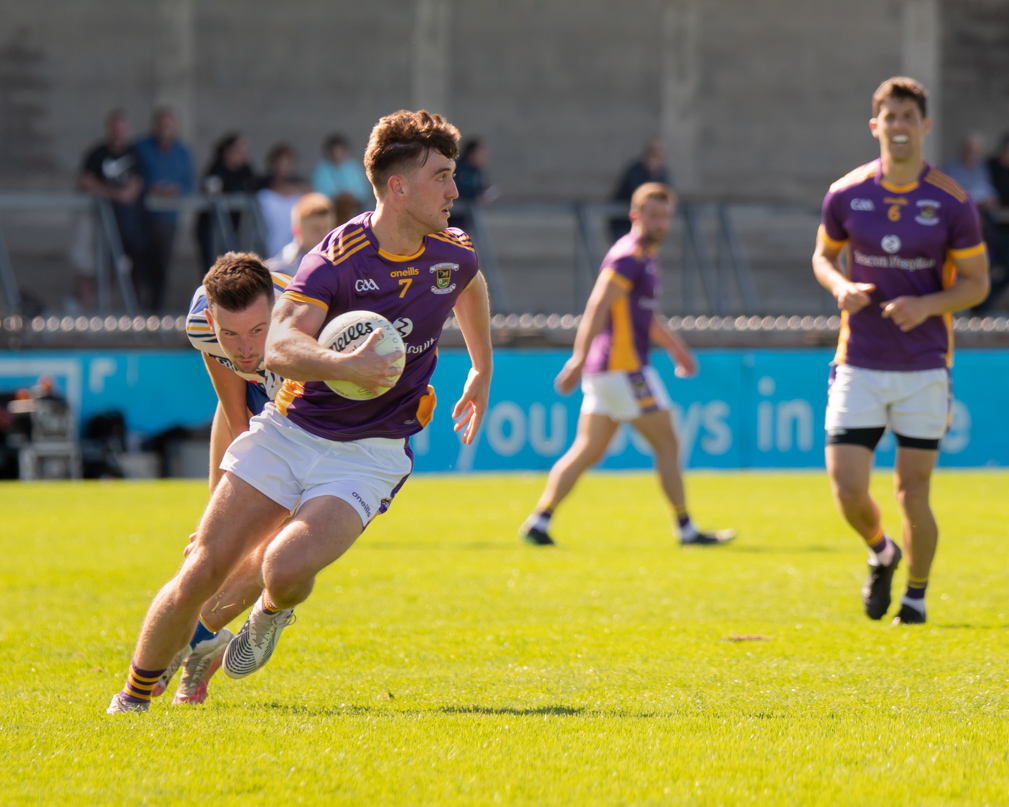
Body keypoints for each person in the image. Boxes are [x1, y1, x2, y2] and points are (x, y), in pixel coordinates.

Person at [107, 109, 493, 714]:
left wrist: (480, 368)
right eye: (443, 176)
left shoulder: (452, 249)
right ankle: (130, 705)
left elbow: (468, 283)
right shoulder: (336, 258)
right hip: (290, 430)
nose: (454, 188)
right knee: (203, 567)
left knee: (282, 567)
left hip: (372, 453)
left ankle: (268, 615)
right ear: (399, 186)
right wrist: (347, 368)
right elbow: (280, 348)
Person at [812, 77, 989, 626]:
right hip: (859, 361)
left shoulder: (951, 201)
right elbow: (822, 257)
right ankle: (881, 550)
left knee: (913, 491)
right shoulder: (846, 194)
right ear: (875, 126)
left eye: (908, 117)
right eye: (889, 117)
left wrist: (927, 304)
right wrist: (839, 288)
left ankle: (915, 596)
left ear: (924, 126)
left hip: (923, 367)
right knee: (846, 487)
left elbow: (978, 283)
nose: (899, 126)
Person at [519, 182, 734, 548]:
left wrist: (678, 349)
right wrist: (578, 357)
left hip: (611, 371)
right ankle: (686, 529)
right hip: (624, 369)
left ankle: (539, 521)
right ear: (635, 216)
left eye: (665, 215)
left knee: (588, 450)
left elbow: (645, 318)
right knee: (667, 442)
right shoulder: (629, 256)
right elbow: (597, 306)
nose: (661, 222)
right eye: (653, 215)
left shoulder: (644, 258)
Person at [148, 251, 290, 706]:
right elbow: (236, 417)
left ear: (277, 314)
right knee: (216, 548)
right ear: (212, 319)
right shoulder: (202, 324)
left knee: (271, 550)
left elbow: (303, 446)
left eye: (256, 332)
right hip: (254, 412)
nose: (245, 349)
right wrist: (221, 517)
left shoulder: (310, 323)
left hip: (313, 424)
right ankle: (201, 644)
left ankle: (191, 640)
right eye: (230, 334)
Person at [78, 109, 151, 308]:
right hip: (96, 220)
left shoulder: (135, 154)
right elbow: (86, 182)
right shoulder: (97, 153)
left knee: (117, 267)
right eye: (115, 127)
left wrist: (119, 194)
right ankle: (85, 305)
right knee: (89, 265)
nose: (119, 132)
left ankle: (105, 307)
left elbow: (136, 185)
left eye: (122, 128)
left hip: (124, 223)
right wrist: (113, 194)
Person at [134, 107, 195, 313]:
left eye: (169, 125)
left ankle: (156, 309)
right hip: (142, 217)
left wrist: (173, 190)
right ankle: (136, 307)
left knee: (162, 263)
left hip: (168, 218)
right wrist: (151, 187)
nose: (165, 129)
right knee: (140, 261)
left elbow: (187, 183)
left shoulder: (182, 152)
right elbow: (134, 176)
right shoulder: (141, 148)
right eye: (161, 125)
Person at [195, 133, 259, 274]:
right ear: (228, 151)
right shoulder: (216, 168)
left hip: (234, 228)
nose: (244, 154)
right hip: (211, 227)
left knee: (232, 269)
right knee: (212, 267)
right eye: (239, 150)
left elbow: (256, 185)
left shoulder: (246, 170)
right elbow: (211, 189)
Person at [257, 143, 312, 259]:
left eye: (288, 162)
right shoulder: (265, 180)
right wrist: (293, 189)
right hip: (271, 234)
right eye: (281, 162)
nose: (284, 166)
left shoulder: (296, 179)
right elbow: (276, 189)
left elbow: (308, 189)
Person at [610, 139, 672, 242]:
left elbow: (668, 195)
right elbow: (640, 196)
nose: (655, 159)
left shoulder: (663, 173)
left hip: (646, 227)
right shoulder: (635, 170)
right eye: (653, 154)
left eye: (659, 156)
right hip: (623, 224)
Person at [266, 193, 337, 275]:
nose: (324, 235)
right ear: (297, 231)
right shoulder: (282, 269)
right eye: (316, 229)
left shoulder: (342, 259)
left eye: (327, 228)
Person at [311, 133, 373, 213]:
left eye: (340, 151)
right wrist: (339, 196)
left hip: (354, 207)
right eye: (334, 152)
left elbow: (363, 192)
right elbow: (320, 193)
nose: (337, 155)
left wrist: (350, 196)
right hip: (331, 208)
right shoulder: (321, 169)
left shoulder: (353, 166)